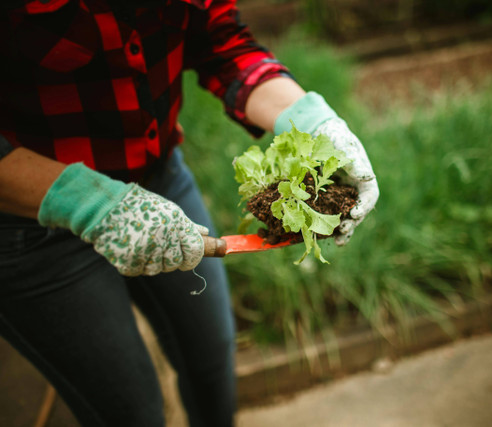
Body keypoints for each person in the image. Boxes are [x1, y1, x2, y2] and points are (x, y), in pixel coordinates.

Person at [0, 0, 378, 425]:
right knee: (132, 411)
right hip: (26, 223)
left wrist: (311, 119)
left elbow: (220, 41)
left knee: (212, 355)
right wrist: (89, 202)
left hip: (157, 176)